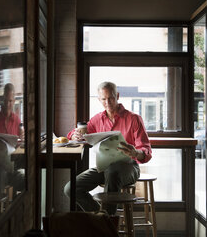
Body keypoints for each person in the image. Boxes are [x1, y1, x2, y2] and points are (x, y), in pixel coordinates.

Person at [64, 81, 152, 215]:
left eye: (110, 98)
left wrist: (135, 152)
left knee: (113, 172)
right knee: (71, 189)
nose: (108, 102)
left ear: (117, 95)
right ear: (99, 99)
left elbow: (146, 152)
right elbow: (76, 134)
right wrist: (74, 135)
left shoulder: (134, 119)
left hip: (129, 166)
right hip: (104, 166)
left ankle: (108, 224)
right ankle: (102, 217)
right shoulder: (97, 119)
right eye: (103, 99)